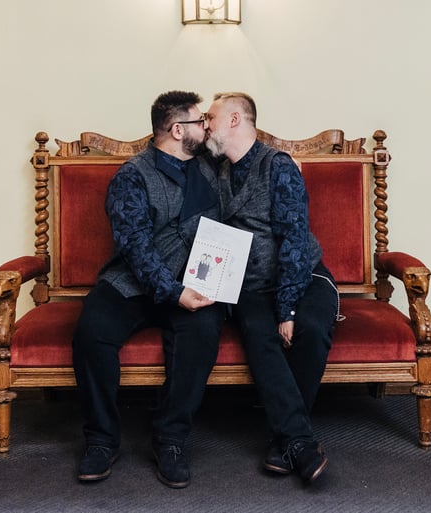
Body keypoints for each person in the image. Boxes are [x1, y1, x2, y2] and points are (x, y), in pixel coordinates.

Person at [72, 90, 224, 489]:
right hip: (135, 282)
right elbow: (135, 248)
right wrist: (173, 293)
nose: (206, 127)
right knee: (92, 331)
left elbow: (249, 160)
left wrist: (286, 165)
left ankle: (170, 438)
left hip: (195, 280)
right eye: (198, 122)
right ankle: (102, 439)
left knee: (204, 332)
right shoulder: (131, 177)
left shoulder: (209, 165)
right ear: (177, 130)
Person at [204, 92, 339, 483]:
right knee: (260, 335)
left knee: (310, 330)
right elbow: (178, 144)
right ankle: (298, 441)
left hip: (303, 275)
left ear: (234, 120)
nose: (206, 124)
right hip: (249, 286)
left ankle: (283, 440)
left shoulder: (278, 167)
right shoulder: (216, 166)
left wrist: (289, 309)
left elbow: (295, 240)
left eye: (211, 117)